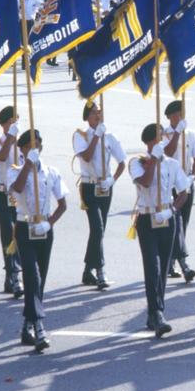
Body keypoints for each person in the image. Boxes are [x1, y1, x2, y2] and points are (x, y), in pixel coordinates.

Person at [129, 123, 191, 338]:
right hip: (147, 218)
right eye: (157, 139)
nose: (162, 142)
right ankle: (157, 314)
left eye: (162, 138)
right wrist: (153, 159)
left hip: (166, 219)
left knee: (163, 269)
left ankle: (154, 313)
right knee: (152, 267)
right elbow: (146, 183)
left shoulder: (173, 164)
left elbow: (183, 193)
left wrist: (172, 211)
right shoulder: (138, 162)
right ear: (148, 142)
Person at [9, 129, 69, 353]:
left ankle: (27, 324)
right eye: (28, 146)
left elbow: (63, 204)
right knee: (31, 276)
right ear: (22, 150)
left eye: (37, 145)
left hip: (44, 228)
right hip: (25, 227)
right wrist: (27, 164)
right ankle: (39, 327)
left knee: (40, 279)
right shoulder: (15, 171)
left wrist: (49, 223)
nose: (34, 149)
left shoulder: (51, 172)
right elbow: (16, 189)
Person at [73, 102, 126, 291]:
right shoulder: (80, 136)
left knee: (99, 230)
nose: (97, 115)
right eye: (93, 112)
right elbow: (86, 156)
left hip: (105, 187)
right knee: (97, 227)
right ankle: (100, 270)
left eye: (99, 112)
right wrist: (96, 135)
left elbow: (122, 162)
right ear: (86, 116)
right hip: (89, 187)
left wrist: (113, 180)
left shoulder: (110, 137)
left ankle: (88, 269)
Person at [162, 100, 195, 282]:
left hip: (185, 182)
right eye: (175, 115)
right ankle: (178, 262)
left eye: (181, 114)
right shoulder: (164, 134)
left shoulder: (191, 134)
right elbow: (167, 153)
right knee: (173, 224)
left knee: (183, 223)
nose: (178, 118)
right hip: (170, 184)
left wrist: (193, 176)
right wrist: (177, 133)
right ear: (169, 117)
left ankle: (174, 260)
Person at [0, 106, 23, 298]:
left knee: (21, 235)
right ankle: (14, 276)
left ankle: (12, 275)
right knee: (8, 233)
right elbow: (0, 157)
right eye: (12, 121)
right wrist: (10, 137)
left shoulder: (23, 143)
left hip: (20, 195)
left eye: (17, 121)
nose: (16, 124)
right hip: (3, 194)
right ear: (4, 124)